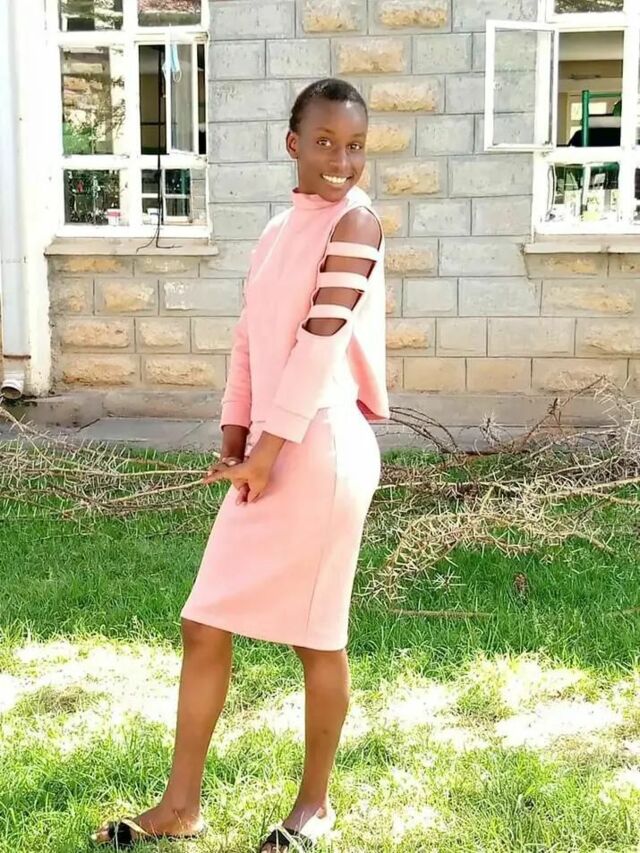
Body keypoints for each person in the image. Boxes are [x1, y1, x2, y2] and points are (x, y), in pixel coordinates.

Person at [91, 77, 390, 852]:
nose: (341, 159)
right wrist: (234, 433)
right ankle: (180, 805)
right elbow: (250, 337)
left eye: (355, 145)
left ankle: (313, 806)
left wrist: (265, 452)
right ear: (294, 144)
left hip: (320, 452)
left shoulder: (358, 224)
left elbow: (319, 346)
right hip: (268, 448)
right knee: (203, 621)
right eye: (325, 142)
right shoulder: (275, 231)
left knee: (315, 637)